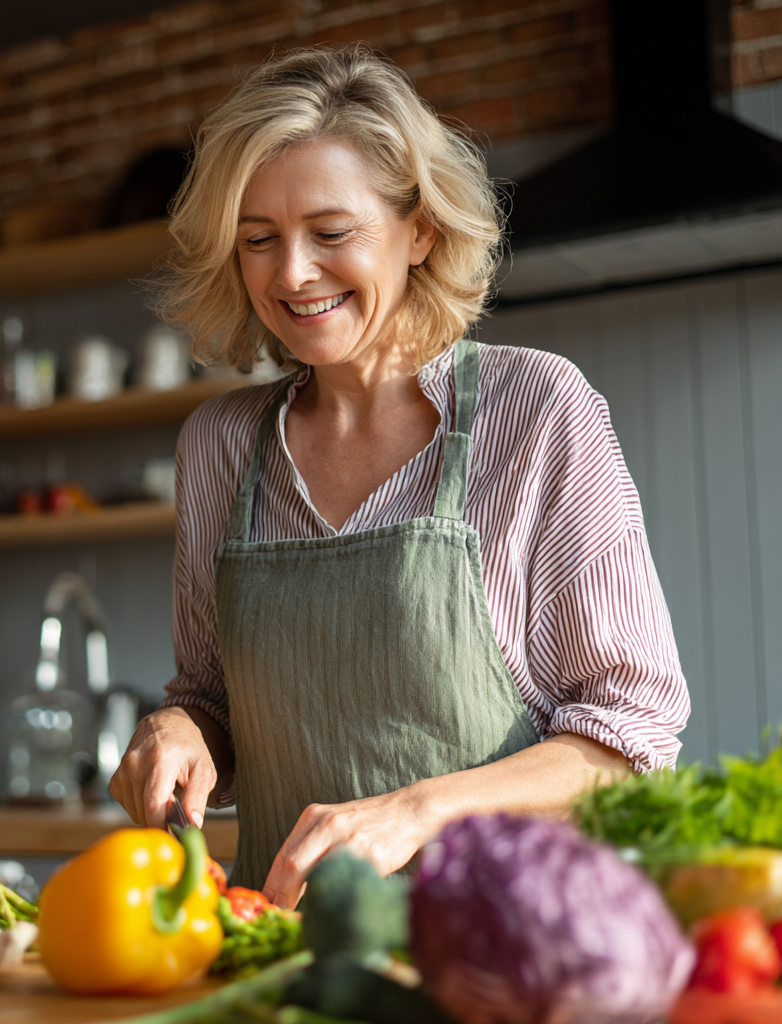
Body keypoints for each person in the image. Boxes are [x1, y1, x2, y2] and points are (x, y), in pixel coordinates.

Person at [110, 45, 690, 908]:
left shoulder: (534, 411)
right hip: (284, 955)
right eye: (258, 241)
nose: (292, 273)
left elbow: (632, 739)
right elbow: (215, 705)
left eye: (331, 233)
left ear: (419, 229)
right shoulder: (220, 446)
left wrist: (417, 812)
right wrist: (177, 728)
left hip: (506, 946)